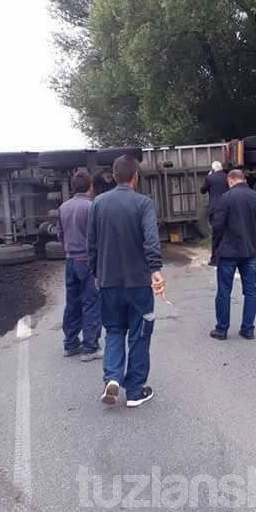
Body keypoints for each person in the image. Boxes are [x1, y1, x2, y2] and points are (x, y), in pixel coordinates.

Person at [87, 155, 166, 408]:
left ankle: (112, 378)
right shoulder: (143, 203)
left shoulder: (98, 203)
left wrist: (96, 273)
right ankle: (134, 391)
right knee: (140, 336)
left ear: (113, 175)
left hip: (109, 281)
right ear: (135, 176)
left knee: (114, 331)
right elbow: (151, 240)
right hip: (138, 284)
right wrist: (155, 269)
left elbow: (92, 244)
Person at [209, 169, 256, 340]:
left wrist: (215, 249)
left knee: (224, 291)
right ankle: (248, 329)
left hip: (228, 251)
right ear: (244, 179)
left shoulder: (225, 198)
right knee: (250, 291)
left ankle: (222, 329)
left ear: (231, 180)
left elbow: (217, 226)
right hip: (250, 251)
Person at [57, 170, 102, 361]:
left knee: (72, 302)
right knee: (91, 302)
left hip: (70, 260)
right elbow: (98, 237)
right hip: (87, 261)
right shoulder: (92, 207)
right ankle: (90, 347)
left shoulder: (63, 207)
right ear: (90, 186)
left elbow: (59, 234)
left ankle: (70, 343)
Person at [199, 160, 229, 266]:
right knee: (228, 233)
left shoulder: (210, 178)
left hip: (215, 209)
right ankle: (228, 257)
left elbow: (202, 190)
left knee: (216, 235)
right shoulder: (228, 177)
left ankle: (215, 259)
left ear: (213, 169)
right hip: (228, 208)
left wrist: (208, 176)